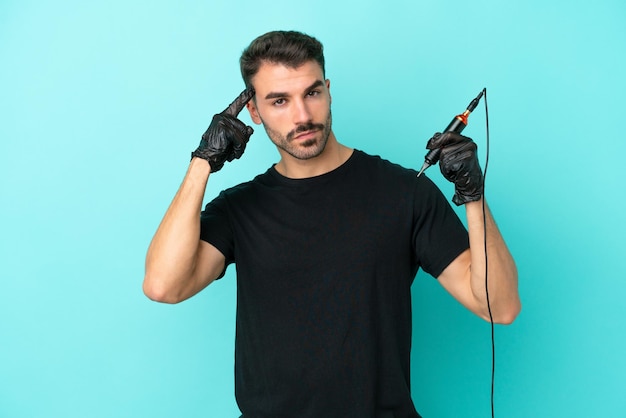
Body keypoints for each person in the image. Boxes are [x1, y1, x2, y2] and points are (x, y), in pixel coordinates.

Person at [143, 30, 521, 418]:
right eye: (279, 101)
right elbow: (164, 286)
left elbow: (500, 307)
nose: (302, 116)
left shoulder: (405, 192)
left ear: (328, 90)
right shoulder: (239, 209)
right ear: (253, 113)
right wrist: (203, 161)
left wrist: (472, 195)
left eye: (311, 93)